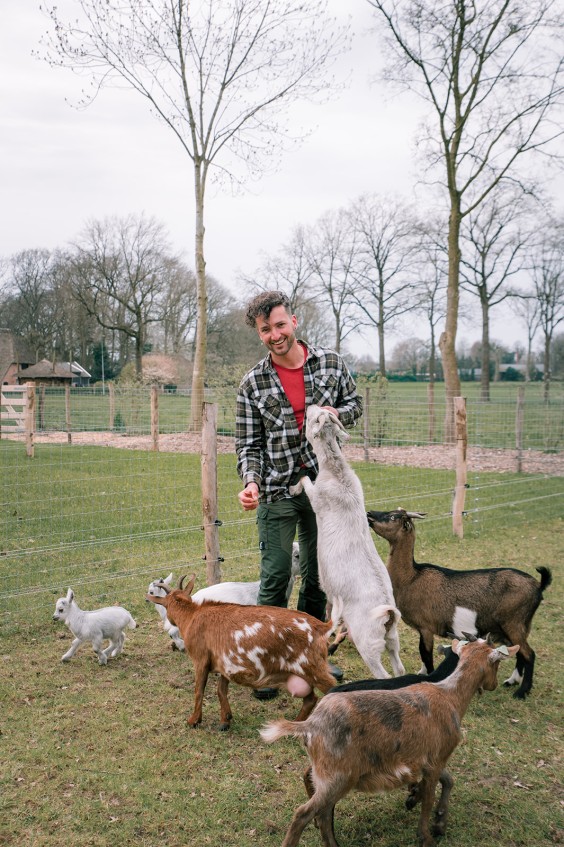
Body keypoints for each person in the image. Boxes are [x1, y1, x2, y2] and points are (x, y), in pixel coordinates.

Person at [236, 291, 363, 696]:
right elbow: (247, 444)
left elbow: (356, 404)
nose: (274, 335)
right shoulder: (252, 383)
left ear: (293, 320)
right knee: (275, 577)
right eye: (265, 330)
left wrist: (338, 414)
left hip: (323, 489)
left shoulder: (330, 364)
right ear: (259, 334)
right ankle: (266, 664)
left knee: (316, 577)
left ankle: (311, 659)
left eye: (279, 325)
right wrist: (251, 481)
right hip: (275, 489)